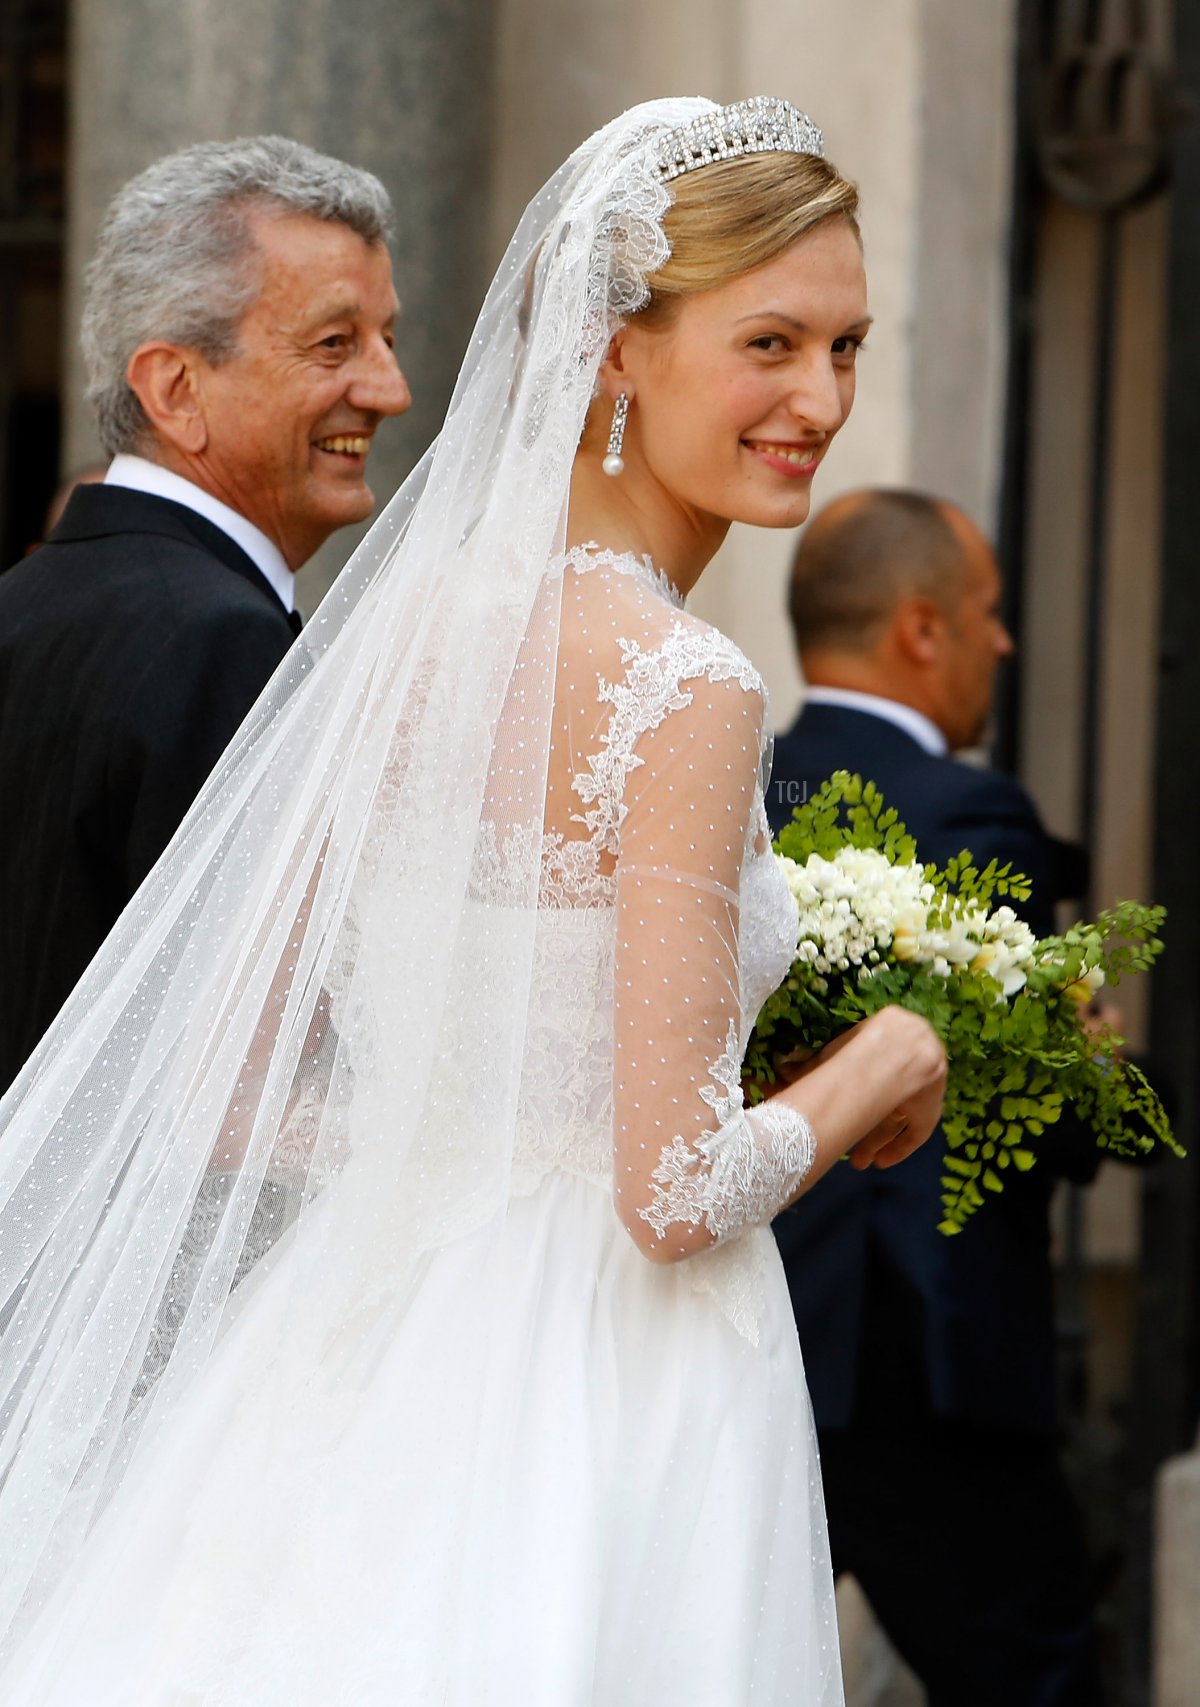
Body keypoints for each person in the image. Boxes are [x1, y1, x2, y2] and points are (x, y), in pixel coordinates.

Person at [0, 102, 947, 1704]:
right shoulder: (684, 685)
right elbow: (672, 1190)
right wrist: (886, 1058)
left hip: (348, 1343)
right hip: (610, 1381)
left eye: (847, 347)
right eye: (771, 341)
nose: (821, 400)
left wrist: (458, 1141)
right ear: (617, 353)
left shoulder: (394, 637)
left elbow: (230, 1096)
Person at [767, 487, 1104, 1707]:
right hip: (926, 1341)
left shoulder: (743, 779)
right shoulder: (972, 810)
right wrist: (1107, 1068)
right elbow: (1023, 1103)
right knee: (1037, 1673)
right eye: (990, 613)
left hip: (769, 1323)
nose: (1003, 643)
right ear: (922, 629)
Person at [0, 136, 411, 1092]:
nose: (389, 388)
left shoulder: (18, 605)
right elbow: (238, 1091)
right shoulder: (222, 641)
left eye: (388, 337)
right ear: (177, 388)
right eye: (334, 343)